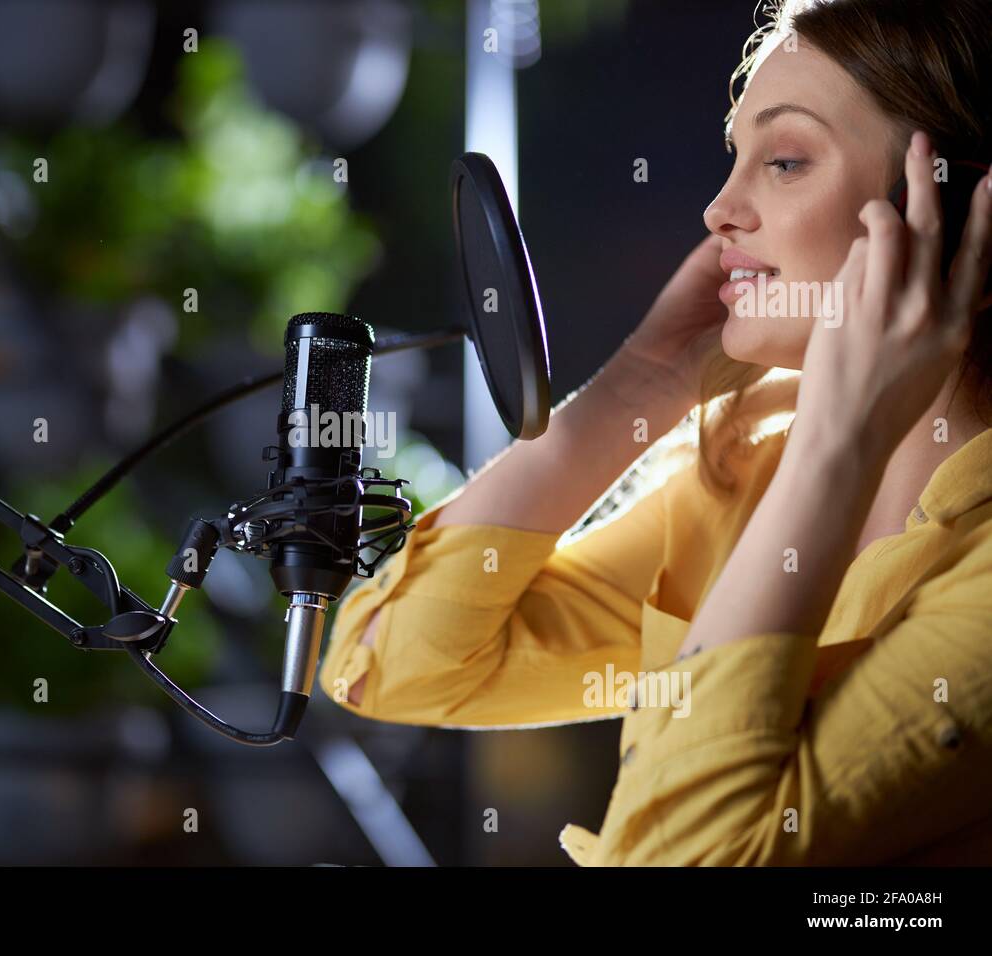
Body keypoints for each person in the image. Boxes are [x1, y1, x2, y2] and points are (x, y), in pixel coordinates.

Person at [317, 0, 992, 865]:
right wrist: (645, 380)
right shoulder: (747, 473)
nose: (719, 210)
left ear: (958, 208)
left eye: (784, 160)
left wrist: (839, 448)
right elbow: (388, 665)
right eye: (734, 159)